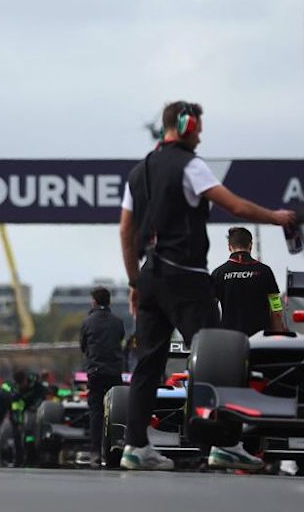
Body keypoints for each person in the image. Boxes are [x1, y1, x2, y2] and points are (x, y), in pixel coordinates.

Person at [119, 100, 296, 470]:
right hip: (186, 277)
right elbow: (237, 207)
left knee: (148, 365)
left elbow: (125, 229)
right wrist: (277, 217)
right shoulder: (191, 166)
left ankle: (134, 446)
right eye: (197, 127)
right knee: (219, 362)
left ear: (232, 246)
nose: (200, 134)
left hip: (150, 276)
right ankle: (225, 443)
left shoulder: (139, 172)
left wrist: (135, 280)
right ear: (185, 125)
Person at [78, 286, 124, 467]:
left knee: (96, 412)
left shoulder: (88, 322)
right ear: (109, 301)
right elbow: (119, 340)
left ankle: (95, 453)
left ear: (94, 302)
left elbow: (83, 346)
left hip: (95, 372)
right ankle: (117, 446)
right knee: (116, 411)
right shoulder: (118, 322)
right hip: (114, 371)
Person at [212, 227, 286, 335]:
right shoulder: (265, 271)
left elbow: (210, 309)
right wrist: (278, 333)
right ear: (251, 245)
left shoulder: (218, 273)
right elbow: (276, 306)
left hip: (229, 338)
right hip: (261, 339)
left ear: (229, 247)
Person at [0, 370, 49, 466]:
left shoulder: (36, 384)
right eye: (18, 384)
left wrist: (34, 406)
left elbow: (42, 396)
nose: (21, 386)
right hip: (17, 412)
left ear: (26, 380)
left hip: (33, 411)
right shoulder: (11, 388)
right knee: (17, 434)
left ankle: (32, 457)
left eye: (22, 383)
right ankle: (18, 460)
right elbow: (9, 401)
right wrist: (17, 422)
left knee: (30, 435)